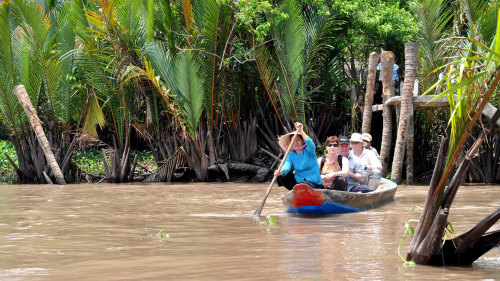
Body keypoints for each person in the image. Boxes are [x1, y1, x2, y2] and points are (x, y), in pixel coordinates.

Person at [274, 122, 323, 190]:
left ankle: (299, 189)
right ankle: (295, 191)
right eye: (293, 141)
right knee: (281, 177)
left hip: (313, 183)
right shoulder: (291, 155)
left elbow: (311, 145)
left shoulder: (309, 151)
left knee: (304, 185)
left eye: (297, 140)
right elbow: (287, 165)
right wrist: (281, 171)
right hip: (299, 182)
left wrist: (301, 131)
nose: (295, 143)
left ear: (303, 141)